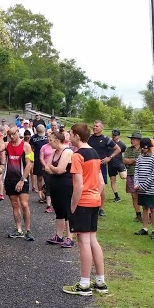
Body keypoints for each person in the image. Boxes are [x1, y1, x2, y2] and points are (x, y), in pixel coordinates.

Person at [62, 123, 108, 296]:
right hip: (95, 200)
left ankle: (84, 284)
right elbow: (101, 182)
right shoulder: (95, 153)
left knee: (84, 242)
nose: (69, 136)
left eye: (70, 134)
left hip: (83, 202)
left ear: (76, 136)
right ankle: (100, 281)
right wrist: (95, 195)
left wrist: (73, 206)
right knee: (93, 240)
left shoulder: (77, 156)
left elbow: (78, 185)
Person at [2, 125, 35, 241]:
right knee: (15, 205)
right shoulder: (7, 145)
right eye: (9, 134)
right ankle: (18, 229)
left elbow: (29, 164)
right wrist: (2, 135)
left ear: (18, 132)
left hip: (22, 178)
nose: (11, 137)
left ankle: (28, 230)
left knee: (24, 204)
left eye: (13, 134)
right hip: (9, 179)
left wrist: (22, 180)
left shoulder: (26, 146)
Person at [45, 130, 75, 248]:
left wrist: (52, 168)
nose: (49, 142)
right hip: (55, 183)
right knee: (58, 210)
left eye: (51, 140)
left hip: (65, 184)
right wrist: (53, 168)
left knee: (66, 209)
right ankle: (58, 235)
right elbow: (46, 167)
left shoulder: (67, 151)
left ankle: (70, 237)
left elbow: (60, 170)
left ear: (57, 141)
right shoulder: (54, 151)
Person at [87, 121, 120, 216]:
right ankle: (92, 205)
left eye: (96, 126)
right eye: (93, 126)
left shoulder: (106, 139)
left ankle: (101, 208)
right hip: (90, 165)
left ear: (101, 128)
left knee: (101, 186)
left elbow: (118, 149)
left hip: (101, 166)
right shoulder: (89, 138)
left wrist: (109, 157)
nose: (94, 127)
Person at [132, 138, 154, 239]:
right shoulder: (140, 157)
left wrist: (143, 186)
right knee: (144, 208)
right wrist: (136, 183)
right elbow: (136, 172)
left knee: (153, 209)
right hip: (140, 187)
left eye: (145, 148)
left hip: (150, 188)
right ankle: (145, 228)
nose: (143, 150)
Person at [122, 131, 143, 222]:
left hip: (142, 175)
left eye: (134, 139)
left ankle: (149, 214)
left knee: (143, 194)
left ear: (139, 140)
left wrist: (131, 162)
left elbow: (143, 161)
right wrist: (134, 160)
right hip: (131, 174)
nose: (132, 141)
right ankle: (138, 214)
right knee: (134, 195)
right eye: (131, 139)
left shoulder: (143, 149)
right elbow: (124, 160)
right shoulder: (128, 149)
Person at [29, 121, 49, 205]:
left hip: (47, 159)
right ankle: (41, 194)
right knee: (39, 177)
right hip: (37, 159)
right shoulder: (33, 138)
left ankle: (48, 194)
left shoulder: (48, 136)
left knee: (48, 177)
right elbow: (31, 148)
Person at [108, 129, 128, 203]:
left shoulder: (122, 145)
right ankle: (116, 196)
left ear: (118, 136)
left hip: (119, 163)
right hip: (111, 164)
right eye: (113, 135)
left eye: (115, 135)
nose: (114, 136)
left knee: (124, 176)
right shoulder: (109, 144)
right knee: (113, 180)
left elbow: (124, 152)